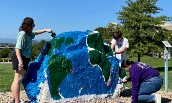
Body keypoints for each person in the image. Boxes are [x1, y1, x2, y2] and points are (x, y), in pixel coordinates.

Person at [11, 17, 53, 103]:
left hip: (24, 57)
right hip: (20, 57)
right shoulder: (22, 34)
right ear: (28, 25)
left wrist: (45, 30)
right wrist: (20, 61)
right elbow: (17, 48)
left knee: (16, 79)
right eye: (33, 24)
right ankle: (17, 101)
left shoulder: (29, 33)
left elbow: (36, 33)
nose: (34, 26)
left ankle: (14, 99)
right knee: (18, 79)